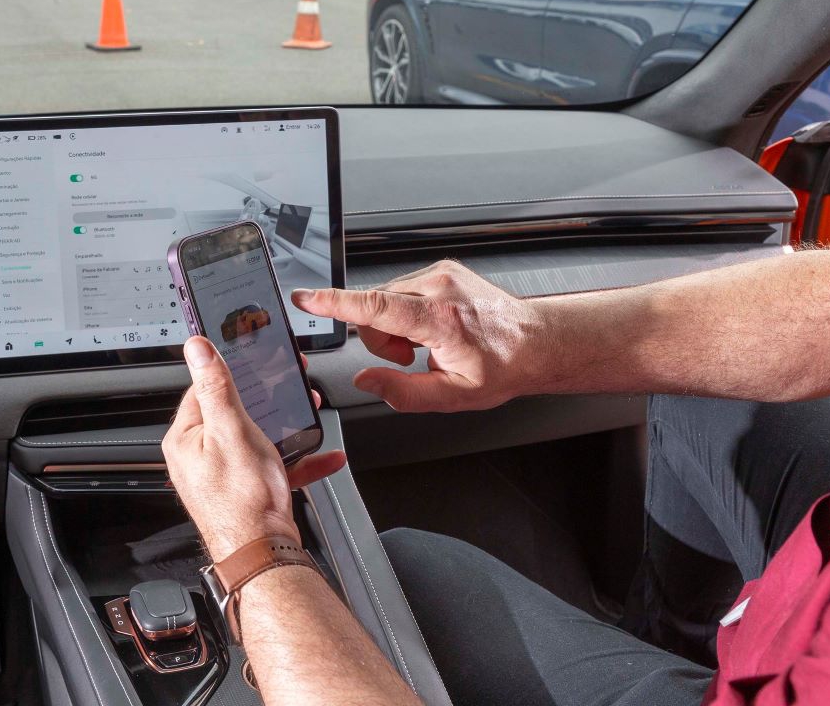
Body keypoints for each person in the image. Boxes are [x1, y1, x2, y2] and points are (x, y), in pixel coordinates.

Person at [161, 250, 830, 706]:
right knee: (715, 386)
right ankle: (676, 641)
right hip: (795, 635)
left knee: (392, 577)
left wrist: (256, 549)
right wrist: (533, 337)